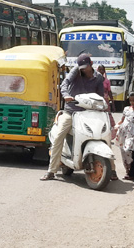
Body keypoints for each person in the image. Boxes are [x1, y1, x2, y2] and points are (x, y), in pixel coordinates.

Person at [40, 53, 106, 181]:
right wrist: (65, 95)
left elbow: (101, 96)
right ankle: (51, 171)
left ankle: (112, 169)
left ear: (91, 64)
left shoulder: (98, 78)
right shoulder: (76, 71)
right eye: (81, 67)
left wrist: (104, 106)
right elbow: (65, 83)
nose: (83, 70)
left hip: (89, 113)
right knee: (59, 136)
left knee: (102, 134)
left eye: (85, 67)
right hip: (71, 112)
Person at [113, 91, 134, 176]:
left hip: (131, 134)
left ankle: (131, 165)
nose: (132, 102)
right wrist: (117, 126)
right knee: (122, 151)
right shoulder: (126, 109)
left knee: (128, 149)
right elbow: (122, 120)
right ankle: (127, 171)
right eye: (130, 100)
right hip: (122, 133)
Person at [97, 64, 116, 137]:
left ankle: (109, 134)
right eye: (100, 70)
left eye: (102, 70)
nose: (101, 71)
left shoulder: (107, 81)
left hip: (105, 101)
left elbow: (109, 92)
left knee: (107, 116)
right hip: (97, 101)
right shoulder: (94, 80)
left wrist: (113, 103)